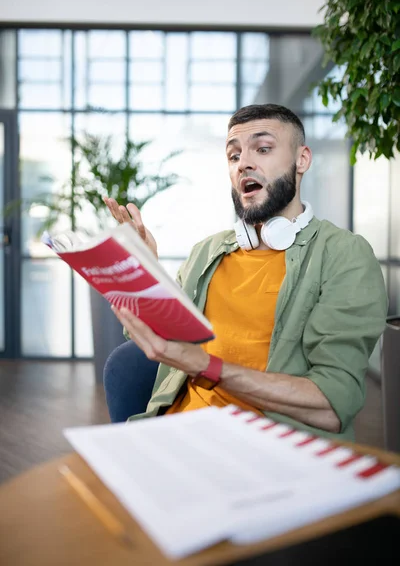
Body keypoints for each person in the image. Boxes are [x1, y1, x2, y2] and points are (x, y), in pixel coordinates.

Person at [103, 103, 388, 441]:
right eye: (234, 156)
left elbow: (331, 404)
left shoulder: (344, 255)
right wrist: (143, 275)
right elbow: (159, 339)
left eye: (263, 149)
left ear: (302, 160)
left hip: (268, 450)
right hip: (174, 433)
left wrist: (205, 366)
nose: (244, 164)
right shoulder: (206, 252)